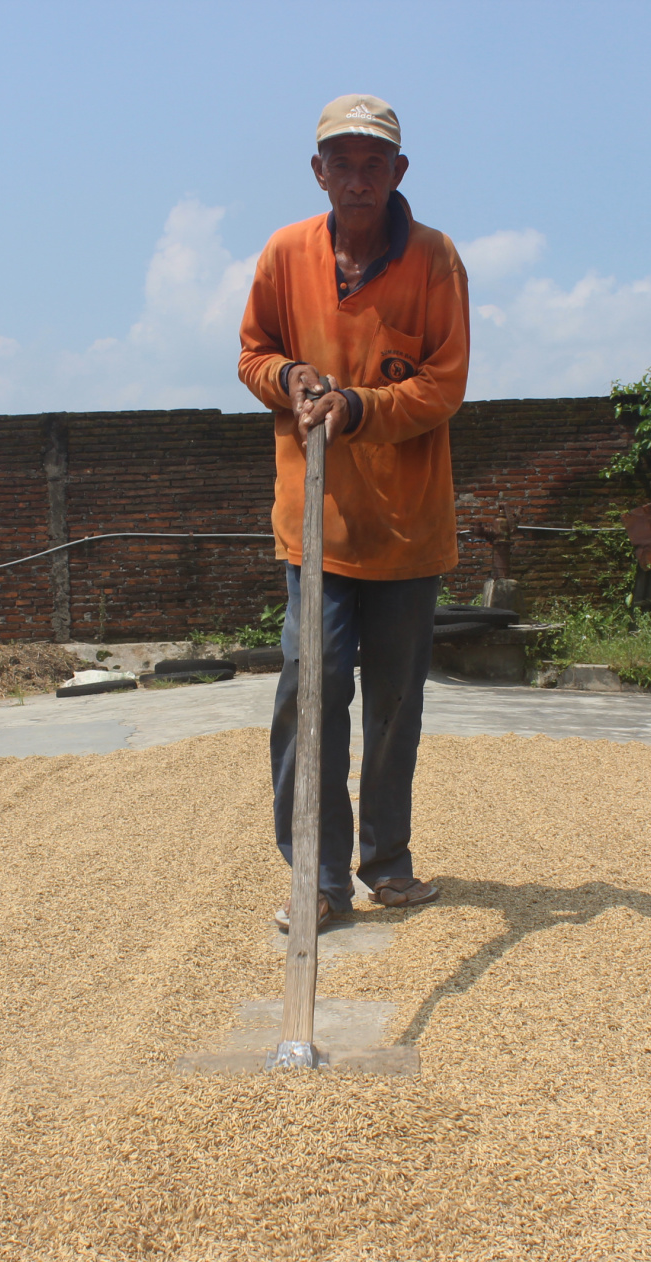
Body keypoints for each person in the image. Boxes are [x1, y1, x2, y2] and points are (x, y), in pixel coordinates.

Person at [237, 94, 470, 930]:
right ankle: (319, 877)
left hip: (407, 527)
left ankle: (388, 862)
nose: (359, 176)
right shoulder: (285, 253)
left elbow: (443, 383)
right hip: (317, 524)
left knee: (395, 703)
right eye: (344, 161)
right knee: (313, 686)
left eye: (376, 162)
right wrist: (293, 378)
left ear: (399, 173)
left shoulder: (437, 261)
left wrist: (361, 407)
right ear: (319, 171)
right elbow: (253, 352)